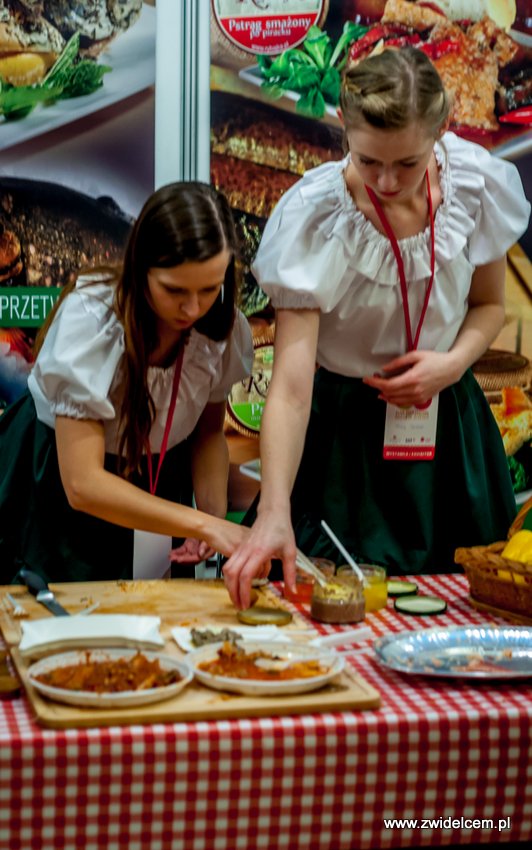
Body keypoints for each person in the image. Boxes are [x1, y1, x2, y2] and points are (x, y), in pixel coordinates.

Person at [223, 46, 531, 609]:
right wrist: (274, 509)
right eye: (368, 161)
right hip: (343, 441)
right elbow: (291, 389)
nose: (387, 181)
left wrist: (453, 364)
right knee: (335, 608)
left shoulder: (473, 186)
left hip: (449, 429)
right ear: (343, 128)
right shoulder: (316, 218)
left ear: (441, 130)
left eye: (408, 163)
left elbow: (488, 307)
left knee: (468, 604)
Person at [0, 181, 254, 583]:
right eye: (175, 290)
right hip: (57, 489)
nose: (192, 308)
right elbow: (82, 484)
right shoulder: (92, 319)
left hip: (158, 484)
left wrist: (211, 515)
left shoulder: (224, 330)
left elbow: (208, 435)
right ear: (140, 267)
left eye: (209, 288)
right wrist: (200, 524)